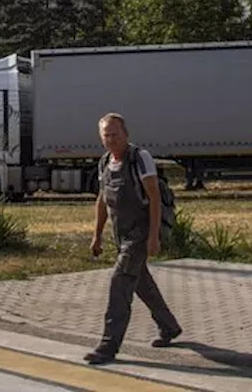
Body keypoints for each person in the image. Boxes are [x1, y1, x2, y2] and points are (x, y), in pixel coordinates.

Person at [85, 112, 182, 365]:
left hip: (140, 233)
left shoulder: (140, 158)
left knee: (120, 283)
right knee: (141, 283)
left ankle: (108, 347)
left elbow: (154, 198)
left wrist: (153, 237)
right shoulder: (105, 162)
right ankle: (169, 326)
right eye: (106, 135)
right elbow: (102, 201)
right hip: (121, 235)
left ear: (126, 134)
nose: (111, 139)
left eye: (115, 134)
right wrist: (97, 236)